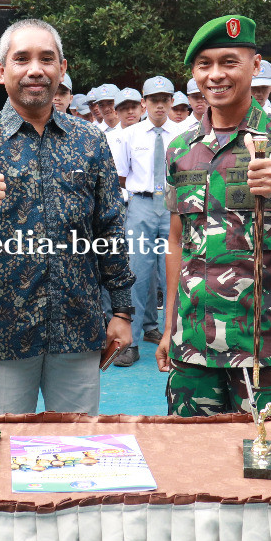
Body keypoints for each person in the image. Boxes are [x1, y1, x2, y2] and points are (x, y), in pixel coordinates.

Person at [0, 18, 132, 414]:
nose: (35, 69)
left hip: (78, 326)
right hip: (6, 330)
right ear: (1, 71)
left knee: (78, 452)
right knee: (5, 445)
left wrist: (122, 310)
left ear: (62, 68)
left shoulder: (90, 140)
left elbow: (109, 227)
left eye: (47, 59)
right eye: (21, 59)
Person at [155, 15, 271, 416]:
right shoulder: (181, 148)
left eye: (229, 62)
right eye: (204, 65)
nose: (215, 75)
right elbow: (178, 241)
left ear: (255, 65)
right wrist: (169, 327)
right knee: (194, 464)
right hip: (193, 343)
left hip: (268, 343)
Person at [111, 76, 181, 365]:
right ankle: (132, 341)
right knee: (137, 275)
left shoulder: (184, 133)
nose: (160, 105)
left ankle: (176, 341)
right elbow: (121, 176)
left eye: (165, 99)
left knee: (175, 274)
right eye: (154, 100)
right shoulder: (130, 134)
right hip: (140, 204)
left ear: (172, 102)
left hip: (173, 205)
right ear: (144, 103)